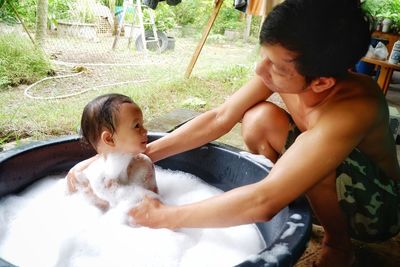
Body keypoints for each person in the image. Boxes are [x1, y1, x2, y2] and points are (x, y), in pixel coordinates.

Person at [128, 0, 400, 266]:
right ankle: (292, 200)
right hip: (325, 186)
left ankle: (338, 245)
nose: (260, 70)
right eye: (263, 56)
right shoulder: (293, 70)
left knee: (314, 162)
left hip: (375, 211)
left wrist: (163, 216)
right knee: (259, 118)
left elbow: (263, 202)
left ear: (321, 83)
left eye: (276, 66)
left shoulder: (353, 108)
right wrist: (144, 154)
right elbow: (220, 117)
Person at [66, 93, 158, 211]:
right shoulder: (80, 174)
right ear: (109, 139)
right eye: (137, 126)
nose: (145, 130)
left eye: (142, 124)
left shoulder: (143, 165)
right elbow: (70, 206)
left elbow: (154, 205)